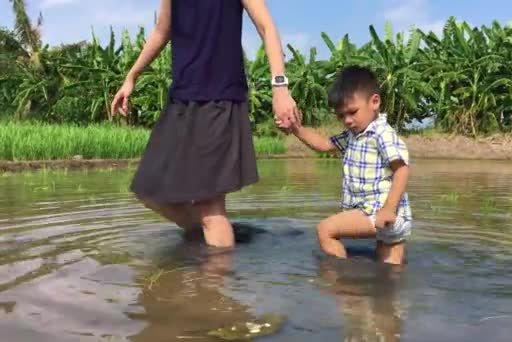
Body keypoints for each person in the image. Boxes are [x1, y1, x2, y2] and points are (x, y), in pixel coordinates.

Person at [110, 0, 299, 248]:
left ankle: (213, 280)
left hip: (220, 97)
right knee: (148, 190)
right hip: (181, 98)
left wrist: (280, 87)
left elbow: (267, 28)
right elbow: (161, 30)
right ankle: (210, 242)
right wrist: (131, 77)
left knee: (209, 206)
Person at [284, 65, 412, 265]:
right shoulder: (354, 136)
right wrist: (296, 129)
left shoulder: (381, 134)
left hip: (379, 212)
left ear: (375, 102)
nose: (348, 120)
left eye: (352, 112)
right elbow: (324, 145)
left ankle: (344, 280)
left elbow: (402, 169)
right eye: (342, 116)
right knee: (390, 276)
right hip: (391, 217)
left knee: (325, 230)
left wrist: (388, 209)